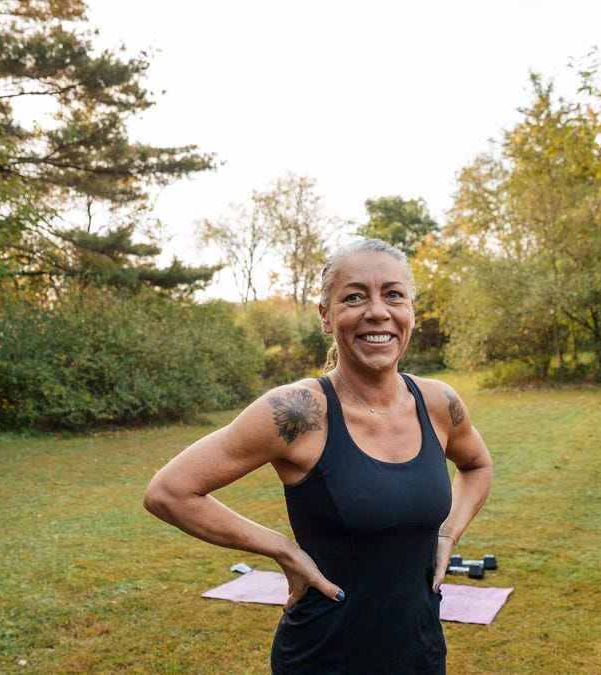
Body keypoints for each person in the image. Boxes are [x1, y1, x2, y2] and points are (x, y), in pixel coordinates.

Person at [144, 238, 493, 674]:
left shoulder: (439, 402)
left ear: (411, 310)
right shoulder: (297, 412)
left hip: (420, 653)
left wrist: (448, 535)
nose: (377, 312)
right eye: (353, 297)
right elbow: (170, 492)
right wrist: (283, 551)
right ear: (326, 316)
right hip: (324, 657)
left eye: (393, 294)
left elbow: (477, 465)